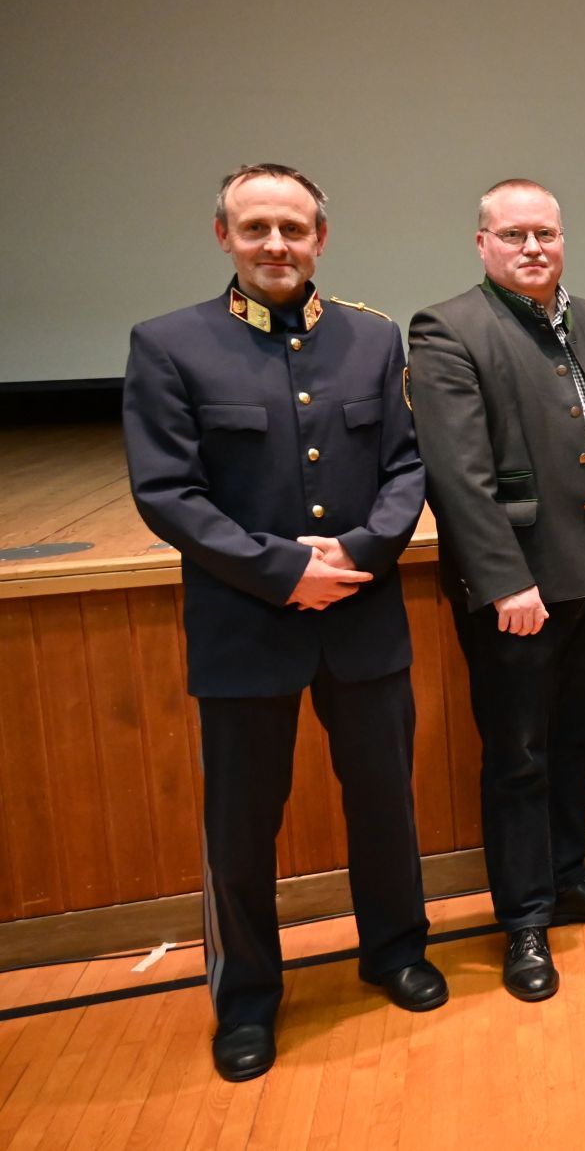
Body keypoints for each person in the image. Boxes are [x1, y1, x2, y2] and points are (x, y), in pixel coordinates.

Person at [124, 164, 442, 1082]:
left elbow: (405, 469)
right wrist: (283, 571)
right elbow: (168, 495)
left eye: (293, 229)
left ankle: (396, 951)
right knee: (241, 825)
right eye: (255, 227)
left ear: (320, 239)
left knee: (384, 802)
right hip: (244, 627)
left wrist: (361, 557)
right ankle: (249, 1002)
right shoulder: (169, 345)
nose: (276, 244)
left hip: (363, 618)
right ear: (221, 234)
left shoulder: (373, 340)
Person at [408, 179, 585, 1001]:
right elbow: (458, 475)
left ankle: (567, 876)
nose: (533, 248)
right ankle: (523, 919)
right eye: (514, 235)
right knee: (518, 756)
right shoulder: (448, 329)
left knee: (576, 738)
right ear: (482, 243)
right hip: (519, 593)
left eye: (545, 234)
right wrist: (504, 579)